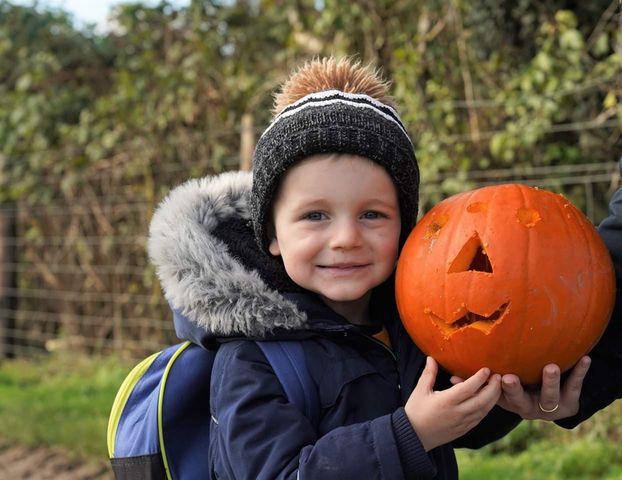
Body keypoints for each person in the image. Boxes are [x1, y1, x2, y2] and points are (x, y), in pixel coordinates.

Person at [147, 57, 617, 479]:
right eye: (315, 216)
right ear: (271, 234)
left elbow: (462, 424)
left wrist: (519, 397)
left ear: (405, 226)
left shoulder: (413, 324)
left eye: (372, 214)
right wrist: (410, 434)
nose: (347, 238)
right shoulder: (254, 357)